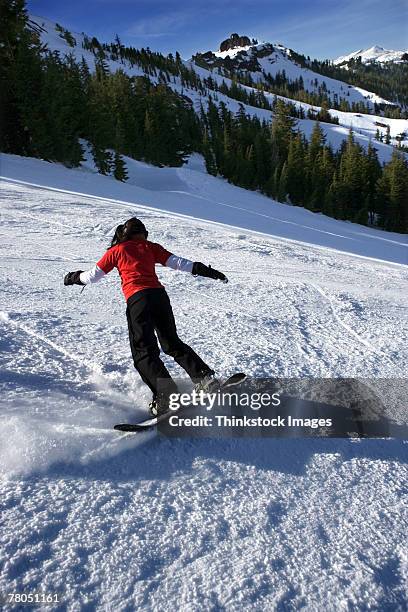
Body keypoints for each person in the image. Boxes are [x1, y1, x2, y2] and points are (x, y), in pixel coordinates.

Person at [64, 217, 228, 416]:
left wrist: (73, 277)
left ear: (122, 235)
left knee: (144, 352)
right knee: (171, 343)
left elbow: (92, 277)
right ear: (143, 233)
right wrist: (206, 271)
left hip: (138, 300)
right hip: (160, 297)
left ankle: (166, 395)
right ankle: (205, 379)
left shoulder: (116, 251)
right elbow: (179, 263)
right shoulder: (151, 247)